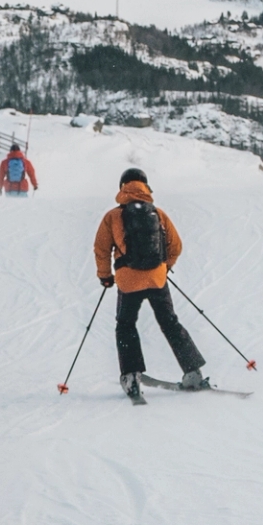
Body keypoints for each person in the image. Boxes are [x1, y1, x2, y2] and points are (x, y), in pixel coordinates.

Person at [91, 166, 209, 398]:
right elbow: (176, 246)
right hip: (157, 279)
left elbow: (101, 249)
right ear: (145, 186)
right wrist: (164, 267)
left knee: (126, 325)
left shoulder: (113, 216)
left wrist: (105, 276)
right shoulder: (158, 213)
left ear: (122, 187)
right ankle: (193, 372)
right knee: (170, 323)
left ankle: (131, 377)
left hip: (128, 281)